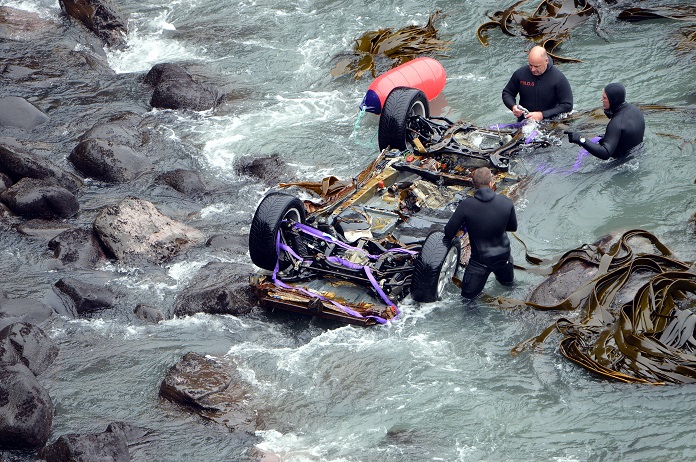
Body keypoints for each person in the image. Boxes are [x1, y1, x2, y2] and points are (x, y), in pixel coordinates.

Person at [443, 167, 517, 299]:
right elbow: (512, 227)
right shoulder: (506, 201)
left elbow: (449, 232)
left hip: (480, 263)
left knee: (467, 299)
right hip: (504, 258)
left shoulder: (466, 205)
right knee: (509, 288)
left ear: (473, 185)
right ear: (491, 183)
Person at [565, 82, 645, 160]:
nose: (601, 100)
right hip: (638, 154)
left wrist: (581, 139)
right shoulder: (636, 111)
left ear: (613, 100)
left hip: (622, 164)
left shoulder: (616, 123)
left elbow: (605, 153)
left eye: (604, 98)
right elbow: (627, 136)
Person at [502, 46, 573, 122]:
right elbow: (507, 93)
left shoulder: (558, 78)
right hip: (525, 121)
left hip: (551, 121)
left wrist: (542, 115)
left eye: (536, 66)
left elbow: (567, 105)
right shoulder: (520, 74)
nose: (532, 69)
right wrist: (513, 106)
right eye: (530, 65)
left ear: (546, 61)